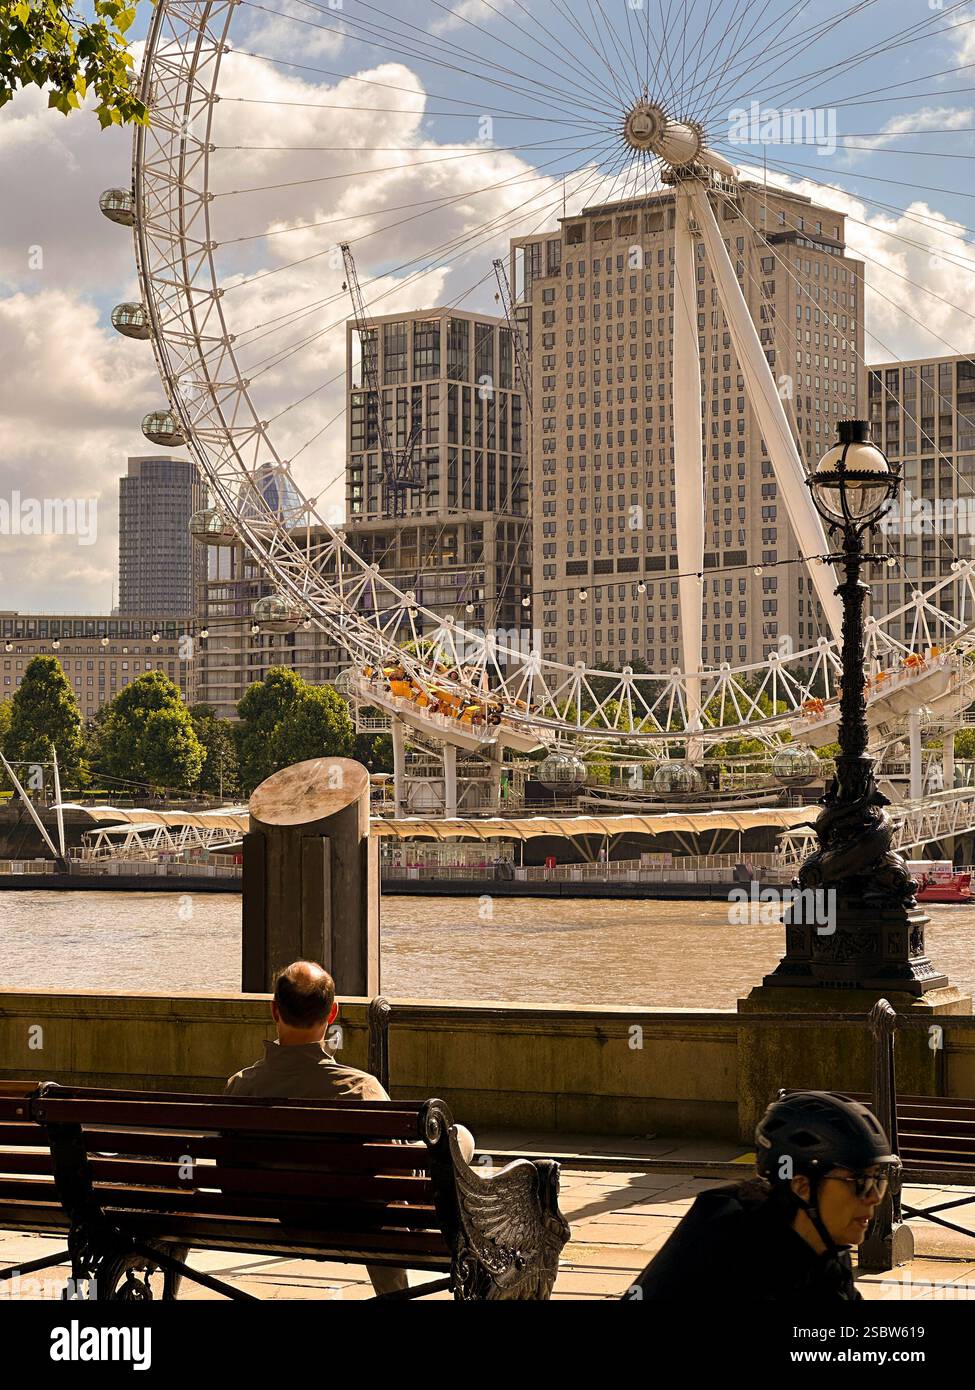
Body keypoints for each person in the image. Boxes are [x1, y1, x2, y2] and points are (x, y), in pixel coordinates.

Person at [225, 959, 475, 1298]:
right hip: (356, 1218)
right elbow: (396, 1180)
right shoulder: (360, 1089)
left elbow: (229, 1170)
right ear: (332, 1014)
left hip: (271, 1215)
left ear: (274, 1011)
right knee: (458, 1138)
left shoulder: (241, 1086)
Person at [626, 1090, 899, 1301]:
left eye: (878, 1179)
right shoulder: (727, 1243)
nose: (873, 1197)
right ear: (802, 1186)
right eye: (860, 1181)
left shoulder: (824, 1244)